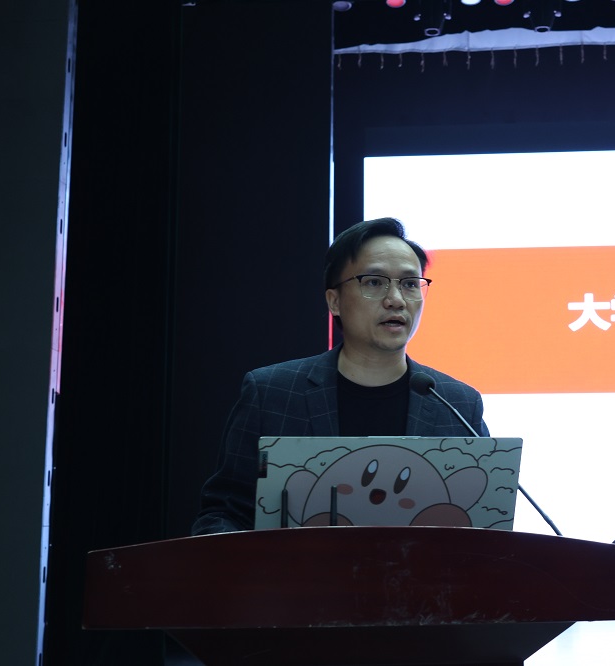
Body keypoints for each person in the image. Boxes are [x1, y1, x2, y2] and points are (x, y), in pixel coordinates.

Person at [191, 217, 489, 534]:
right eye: (374, 282)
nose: (396, 299)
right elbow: (223, 513)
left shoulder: (457, 404)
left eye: (410, 284)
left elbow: (483, 524)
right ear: (334, 301)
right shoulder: (272, 394)